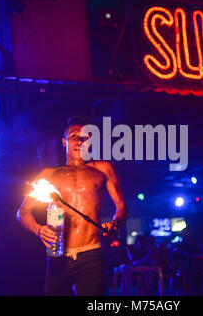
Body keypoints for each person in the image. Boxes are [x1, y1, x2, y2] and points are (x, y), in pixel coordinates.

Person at [16, 116, 128, 296]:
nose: (79, 140)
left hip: (91, 254)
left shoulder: (103, 168)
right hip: (57, 255)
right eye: (73, 135)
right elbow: (23, 212)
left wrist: (115, 223)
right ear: (64, 141)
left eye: (85, 135)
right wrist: (38, 229)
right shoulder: (48, 174)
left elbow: (122, 207)